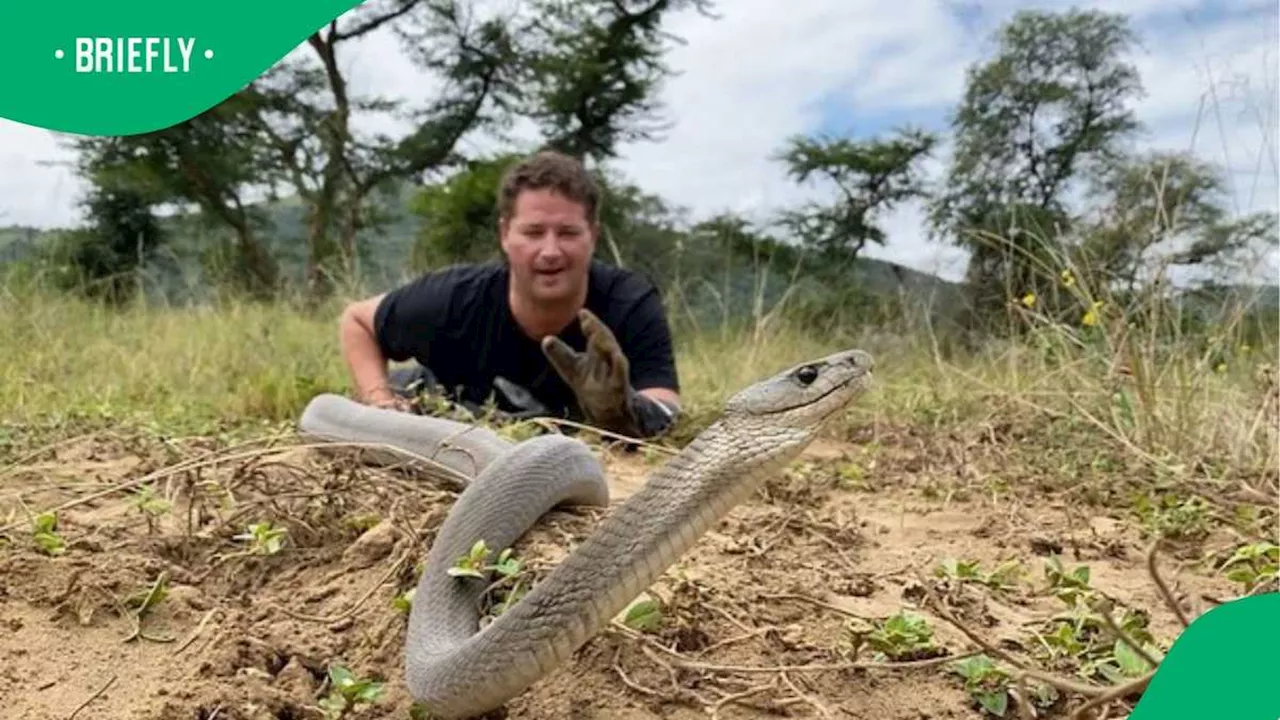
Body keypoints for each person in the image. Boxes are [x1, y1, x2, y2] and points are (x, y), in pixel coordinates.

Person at [337, 150, 682, 439]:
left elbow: (667, 406)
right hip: (436, 411)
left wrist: (625, 408)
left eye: (567, 233)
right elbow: (357, 321)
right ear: (505, 234)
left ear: (593, 235)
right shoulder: (454, 298)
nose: (550, 251)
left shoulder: (629, 303)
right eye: (533, 232)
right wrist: (381, 404)